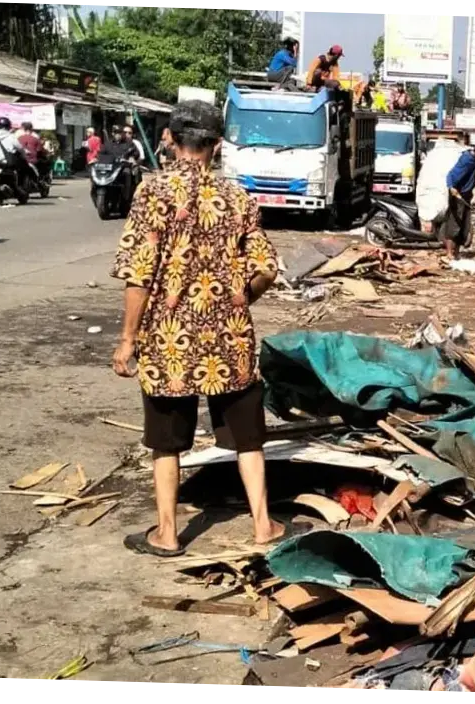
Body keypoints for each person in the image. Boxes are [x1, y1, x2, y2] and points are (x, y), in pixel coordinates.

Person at [109, 99, 299, 557]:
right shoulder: (236, 197)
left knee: (166, 443)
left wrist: (127, 340)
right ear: (217, 146)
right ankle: (262, 526)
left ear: (170, 140)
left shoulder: (152, 192)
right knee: (248, 439)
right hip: (228, 339)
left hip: (167, 341)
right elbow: (268, 268)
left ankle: (168, 534)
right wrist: (239, 298)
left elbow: (140, 273)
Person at [438, 138, 475, 260]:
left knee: (464, 226)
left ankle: (456, 253)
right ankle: (449, 253)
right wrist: (451, 187)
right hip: (458, 195)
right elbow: (451, 175)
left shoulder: (473, 159)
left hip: (467, 195)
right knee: (454, 225)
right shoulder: (467, 160)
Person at [100, 126, 142, 198]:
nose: (118, 135)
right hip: (110, 167)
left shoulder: (129, 143)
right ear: (113, 134)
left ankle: (127, 196)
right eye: (116, 133)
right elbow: (101, 154)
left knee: (127, 173)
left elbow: (136, 153)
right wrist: (96, 159)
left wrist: (132, 157)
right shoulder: (108, 144)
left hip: (123, 167)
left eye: (120, 133)